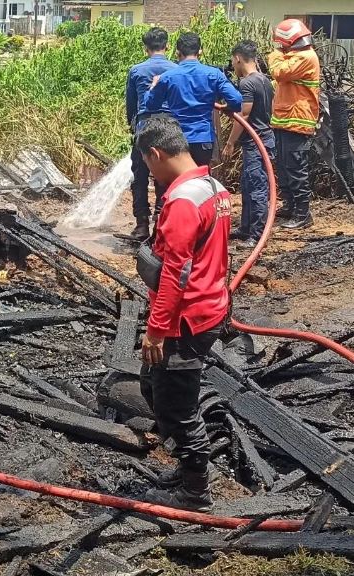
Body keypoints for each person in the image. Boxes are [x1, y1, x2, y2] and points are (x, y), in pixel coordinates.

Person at [136, 115, 232, 512]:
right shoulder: (213, 188)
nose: (149, 172)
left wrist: (157, 330)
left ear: (156, 153)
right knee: (151, 385)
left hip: (184, 319)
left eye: (147, 163)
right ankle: (185, 466)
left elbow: (176, 271)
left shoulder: (180, 202)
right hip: (207, 308)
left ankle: (195, 492)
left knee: (177, 406)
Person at [142, 32, 243, 167]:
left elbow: (150, 105)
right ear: (200, 52)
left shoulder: (167, 77)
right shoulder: (214, 74)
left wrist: (153, 86)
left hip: (177, 140)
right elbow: (237, 101)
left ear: (178, 52)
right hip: (204, 140)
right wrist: (226, 108)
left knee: (179, 181)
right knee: (200, 180)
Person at [222, 40, 275, 248]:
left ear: (237, 58)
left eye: (233, 62)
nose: (233, 67)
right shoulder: (264, 80)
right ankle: (245, 228)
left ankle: (256, 234)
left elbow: (243, 116)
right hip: (264, 139)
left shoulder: (247, 83)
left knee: (257, 188)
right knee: (248, 184)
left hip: (256, 143)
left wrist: (230, 143)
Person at [125, 27, 177, 240]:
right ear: (167, 46)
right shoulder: (176, 69)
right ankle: (160, 225)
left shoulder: (136, 71)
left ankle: (141, 225)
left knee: (140, 176)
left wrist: (132, 126)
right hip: (169, 129)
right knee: (165, 177)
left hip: (144, 127)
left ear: (145, 47)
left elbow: (131, 105)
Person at [268, 19, 320, 230]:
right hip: (284, 121)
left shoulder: (306, 57)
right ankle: (290, 206)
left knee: (296, 168)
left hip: (297, 122)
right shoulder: (293, 56)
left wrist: (274, 55)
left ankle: (302, 213)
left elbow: (280, 72)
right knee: (284, 167)